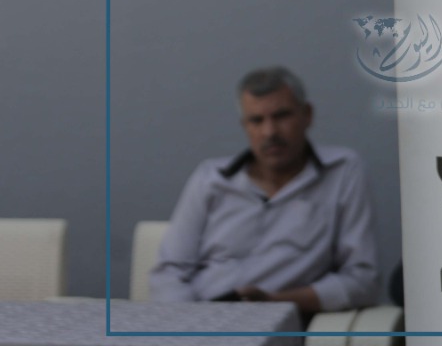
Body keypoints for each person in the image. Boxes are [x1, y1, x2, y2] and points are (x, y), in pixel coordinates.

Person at [150, 66, 379, 316]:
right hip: (198, 319)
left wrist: (275, 302)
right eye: (256, 120)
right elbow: (169, 273)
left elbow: (362, 281)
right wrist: (191, 323)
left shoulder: (342, 172)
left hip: (279, 322)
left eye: (282, 116)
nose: (270, 132)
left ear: (307, 115)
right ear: (244, 126)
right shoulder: (211, 177)